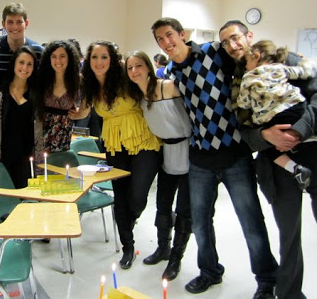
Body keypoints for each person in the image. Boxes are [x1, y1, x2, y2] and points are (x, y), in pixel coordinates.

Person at [152, 17, 277, 299]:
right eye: (160, 39)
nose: (166, 42)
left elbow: (249, 60)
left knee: (251, 221)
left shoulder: (212, 51)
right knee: (200, 222)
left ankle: (267, 279)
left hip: (235, 154)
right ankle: (209, 271)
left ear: (182, 34)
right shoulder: (171, 70)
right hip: (200, 158)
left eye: (169, 35)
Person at [219, 20, 317, 299]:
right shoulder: (239, 78)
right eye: (225, 42)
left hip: (312, 150)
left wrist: (299, 130)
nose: (232, 46)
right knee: (289, 235)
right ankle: (288, 294)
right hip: (276, 162)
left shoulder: (287, 60)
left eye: (235, 38)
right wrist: (267, 135)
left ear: (249, 36)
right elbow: (244, 127)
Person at [81, 41, 162, 270]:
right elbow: (84, 110)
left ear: (113, 59)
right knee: (120, 195)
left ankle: (129, 219)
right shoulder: (89, 86)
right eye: (95, 57)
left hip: (143, 139)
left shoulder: (126, 78)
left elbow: (150, 88)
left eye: (104, 57)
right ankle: (128, 246)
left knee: (137, 196)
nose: (99, 62)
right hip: (114, 143)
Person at [125, 51, 192, 281]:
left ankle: (176, 258)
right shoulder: (137, 96)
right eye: (130, 68)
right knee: (162, 204)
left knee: (184, 209)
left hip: (189, 151)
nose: (135, 71)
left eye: (139, 66)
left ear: (148, 67)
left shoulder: (169, 87)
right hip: (165, 153)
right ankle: (163, 248)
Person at [237, 40, 315, 189]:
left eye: (246, 61)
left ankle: (295, 169)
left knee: (267, 148)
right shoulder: (281, 68)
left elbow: (243, 103)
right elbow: (304, 72)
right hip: (297, 108)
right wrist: (306, 61)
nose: (245, 66)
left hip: (274, 117)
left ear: (256, 56)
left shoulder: (248, 77)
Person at [0, 46, 38, 188]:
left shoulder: (35, 93)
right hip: (2, 155)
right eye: (21, 62)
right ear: (14, 64)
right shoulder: (0, 90)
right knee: (4, 199)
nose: (25, 67)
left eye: (29, 64)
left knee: (25, 201)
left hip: (26, 157)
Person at [35, 40, 88, 156]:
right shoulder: (42, 80)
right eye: (53, 56)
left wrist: (79, 114)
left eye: (62, 56)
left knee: (59, 171)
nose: (58, 60)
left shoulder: (78, 81)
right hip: (40, 133)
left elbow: (87, 107)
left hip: (64, 135)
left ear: (70, 58)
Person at [0, 2, 44, 77]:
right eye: (10, 22)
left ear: (26, 24)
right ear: (3, 24)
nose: (15, 27)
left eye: (19, 22)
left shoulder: (39, 52)